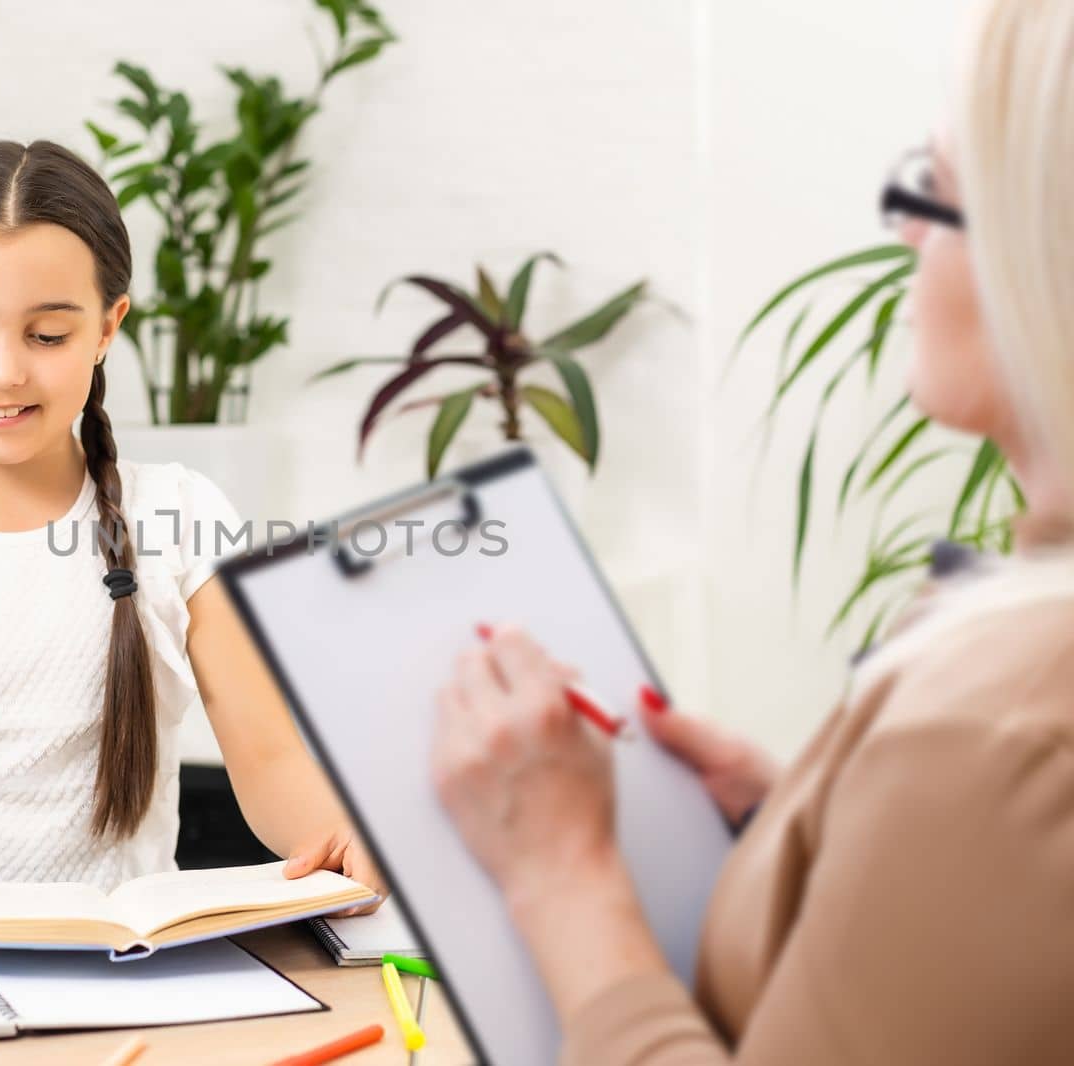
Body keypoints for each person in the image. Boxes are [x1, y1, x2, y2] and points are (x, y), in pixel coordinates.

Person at [433, 0, 1074, 1061]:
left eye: (941, 192)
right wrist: (816, 831)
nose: (906, 229)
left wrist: (560, 874)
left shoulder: (1000, 731)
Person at [0, 140, 380, 943]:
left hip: (127, 957)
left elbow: (271, 765)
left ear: (107, 327)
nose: (3, 372)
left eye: (48, 337)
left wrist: (344, 830)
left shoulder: (181, 516)